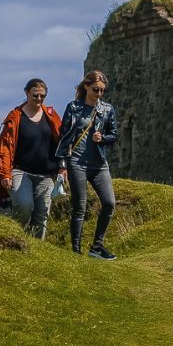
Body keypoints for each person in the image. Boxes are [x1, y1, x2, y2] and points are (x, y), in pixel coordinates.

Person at [54, 70, 118, 259]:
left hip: (99, 163)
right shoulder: (73, 107)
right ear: (86, 87)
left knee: (109, 203)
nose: (99, 94)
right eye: (96, 90)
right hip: (77, 162)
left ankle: (97, 246)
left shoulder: (107, 109)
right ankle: (76, 251)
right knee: (79, 207)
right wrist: (62, 164)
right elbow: (64, 137)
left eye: (102, 91)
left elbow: (114, 134)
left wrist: (103, 137)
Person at [0, 78, 63, 239]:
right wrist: (5, 174)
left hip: (46, 174)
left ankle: (37, 251)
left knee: (42, 214)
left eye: (42, 96)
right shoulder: (15, 117)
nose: (39, 99)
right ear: (27, 93)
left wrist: (62, 168)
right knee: (25, 206)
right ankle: (14, 239)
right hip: (20, 171)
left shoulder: (51, 116)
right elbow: (4, 147)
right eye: (35, 96)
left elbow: (62, 142)